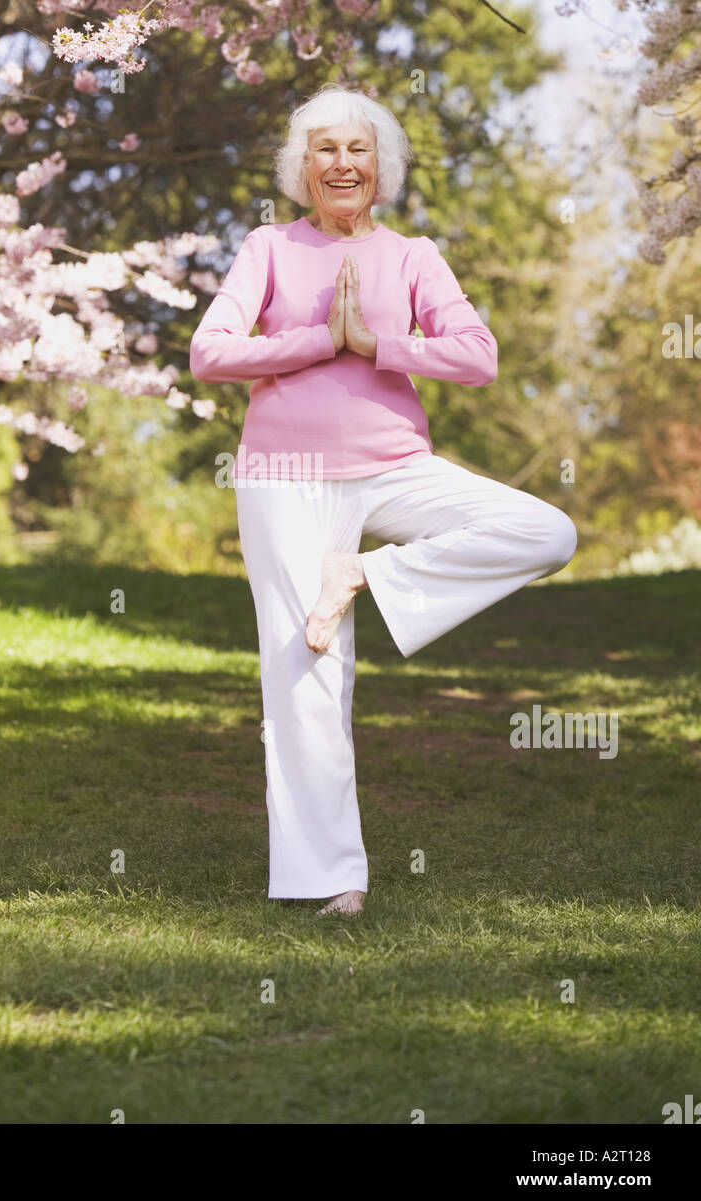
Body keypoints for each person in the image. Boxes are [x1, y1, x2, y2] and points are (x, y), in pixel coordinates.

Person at [189, 84, 577, 916]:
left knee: (545, 530)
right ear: (301, 168)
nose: (342, 163)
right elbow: (210, 352)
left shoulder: (413, 255)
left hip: (395, 464)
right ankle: (332, 881)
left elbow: (477, 355)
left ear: (381, 168)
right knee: (305, 675)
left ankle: (363, 572)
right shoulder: (267, 248)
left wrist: (377, 343)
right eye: (324, 149)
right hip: (285, 475)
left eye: (358, 149)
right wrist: (321, 340)